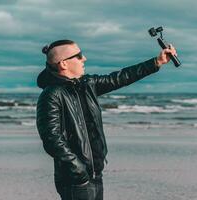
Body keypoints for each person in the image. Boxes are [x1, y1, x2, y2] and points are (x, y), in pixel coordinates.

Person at [36, 39, 177, 200]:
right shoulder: (51, 95)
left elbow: (120, 78)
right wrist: (77, 169)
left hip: (95, 172)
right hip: (76, 179)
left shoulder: (87, 84)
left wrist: (157, 62)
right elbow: (51, 139)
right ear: (64, 64)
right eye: (78, 55)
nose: (84, 59)